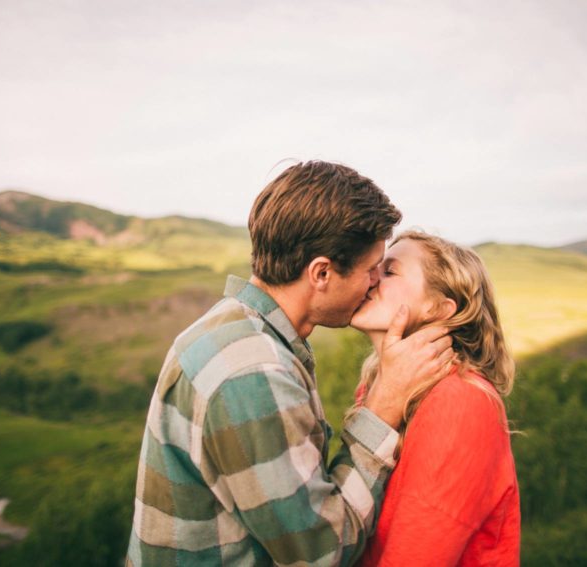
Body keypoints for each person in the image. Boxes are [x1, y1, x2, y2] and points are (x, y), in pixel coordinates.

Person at [126, 162, 455, 566]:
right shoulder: (254, 374)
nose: (375, 282)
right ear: (321, 273)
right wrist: (382, 409)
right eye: (371, 269)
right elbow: (321, 553)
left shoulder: (231, 329)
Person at [350, 230, 520, 566]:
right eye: (373, 267)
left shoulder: (462, 401)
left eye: (389, 271)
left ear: (438, 308)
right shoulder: (376, 391)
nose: (369, 278)